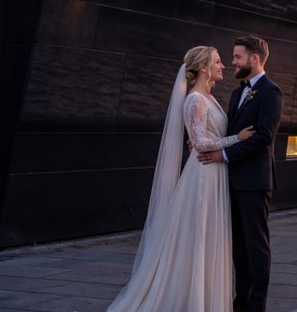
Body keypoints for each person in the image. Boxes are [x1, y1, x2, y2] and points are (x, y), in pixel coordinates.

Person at [108, 46, 255, 311]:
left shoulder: (210, 98)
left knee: (209, 237)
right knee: (198, 238)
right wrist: (237, 138)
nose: (223, 66)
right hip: (202, 176)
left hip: (215, 173)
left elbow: (201, 137)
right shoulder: (195, 99)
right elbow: (199, 142)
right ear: (203, 67)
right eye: (218, 62)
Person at [198, 35, 284, 312]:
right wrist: (204, 142)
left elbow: (264, 137)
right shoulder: (237, 93)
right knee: (237, 247)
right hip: (230, 181)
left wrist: (222, 155)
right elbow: (230, 133)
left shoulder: (271, 92)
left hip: (254, 182)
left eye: (237, 57)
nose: (232, 62)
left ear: (254, 58)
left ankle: (256, 305)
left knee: (256, 247)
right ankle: (241, 301)